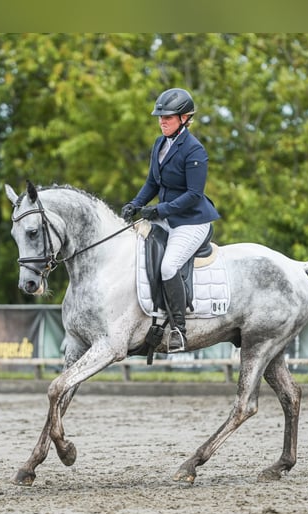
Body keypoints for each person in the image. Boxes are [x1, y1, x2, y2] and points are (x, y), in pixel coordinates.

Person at [121, 87, 221, 352]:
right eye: (160, 117)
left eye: (168, 117)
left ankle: (179, 328)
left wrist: (160, 210)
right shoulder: (159, 144)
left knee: (168, 267)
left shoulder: (195, 150)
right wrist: (136, 203)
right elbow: (152, 181)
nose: (162, 121)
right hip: (167, 216)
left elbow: (193, 195)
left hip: (191, 221)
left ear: (185, 118)